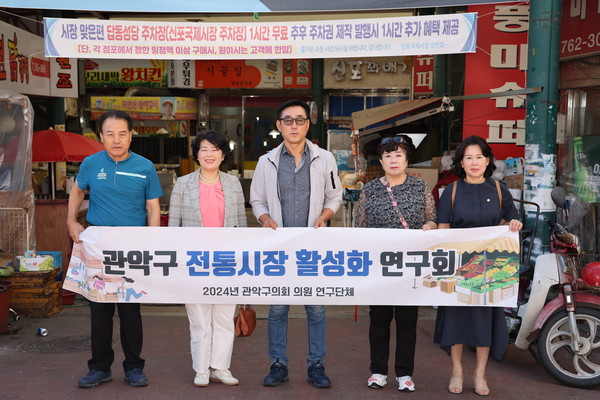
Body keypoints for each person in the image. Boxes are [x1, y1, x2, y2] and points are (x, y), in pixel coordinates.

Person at [67, 109, 163, 389]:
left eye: (122, 134)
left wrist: (152, 242)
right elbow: (77, 191)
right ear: (101, 137)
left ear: (131, 136)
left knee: (130, 310)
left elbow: (153, 206)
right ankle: (99, 367)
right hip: (98, 245)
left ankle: (134, 366)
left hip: (132, 246)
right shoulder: (90, 163)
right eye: (110, 134)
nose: (116, 139)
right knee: (99, 311)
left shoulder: (145, 166)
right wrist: (71, 221)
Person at [250, 99, 342, 388]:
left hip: (312, 248)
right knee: (278, 308)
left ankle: (316, 365)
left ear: (308, 123)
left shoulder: (324, 158)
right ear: (279, 126)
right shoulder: (266, 161)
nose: (293, 125)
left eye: (299, 120)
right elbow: (257, 200)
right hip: (279, 247)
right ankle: (278, 364)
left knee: (316, 308)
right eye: (287, 120)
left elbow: (334, 196)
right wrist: (265, 219)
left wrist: (325, 217)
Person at [433, 135, 522, 396]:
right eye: (468, 157)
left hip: (493, 265)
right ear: (461, 162)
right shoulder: (452, 190)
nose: (474, 162)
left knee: (484, 322)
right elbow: (443, 230)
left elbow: (513, 219)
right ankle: (457, 370)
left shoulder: (498, 189)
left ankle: (480, 373)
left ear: (488, 161)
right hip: (460, 265)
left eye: (479, 157)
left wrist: (512, 224)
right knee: (456, 322)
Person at [355, 135, 437, 393]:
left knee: (407, 322)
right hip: (380, 266)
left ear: (406, 159)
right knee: (378, 320)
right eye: (388, 156)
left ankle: (404, 373)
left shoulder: (420, 187)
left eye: (398, 155)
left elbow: (432, 218)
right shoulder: (369, 190)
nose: (393, 160)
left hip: (410, 266)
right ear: (380, 160)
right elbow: (360, 227)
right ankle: (378, 371)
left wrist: (429, 226)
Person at [168, 130, 247, 387]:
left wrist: (243, 259)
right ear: (197, 155)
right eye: (204, 149)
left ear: (223, 155)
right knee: (199, 320)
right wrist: (176, 261)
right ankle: (201, 369)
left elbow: (241, 226)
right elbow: (174, 227)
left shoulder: (234, 184)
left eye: (215, 149)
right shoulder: (183, 184)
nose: (209, 154)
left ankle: (221, 367)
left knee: (224, 318)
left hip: (227, 261)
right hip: (195, 262)